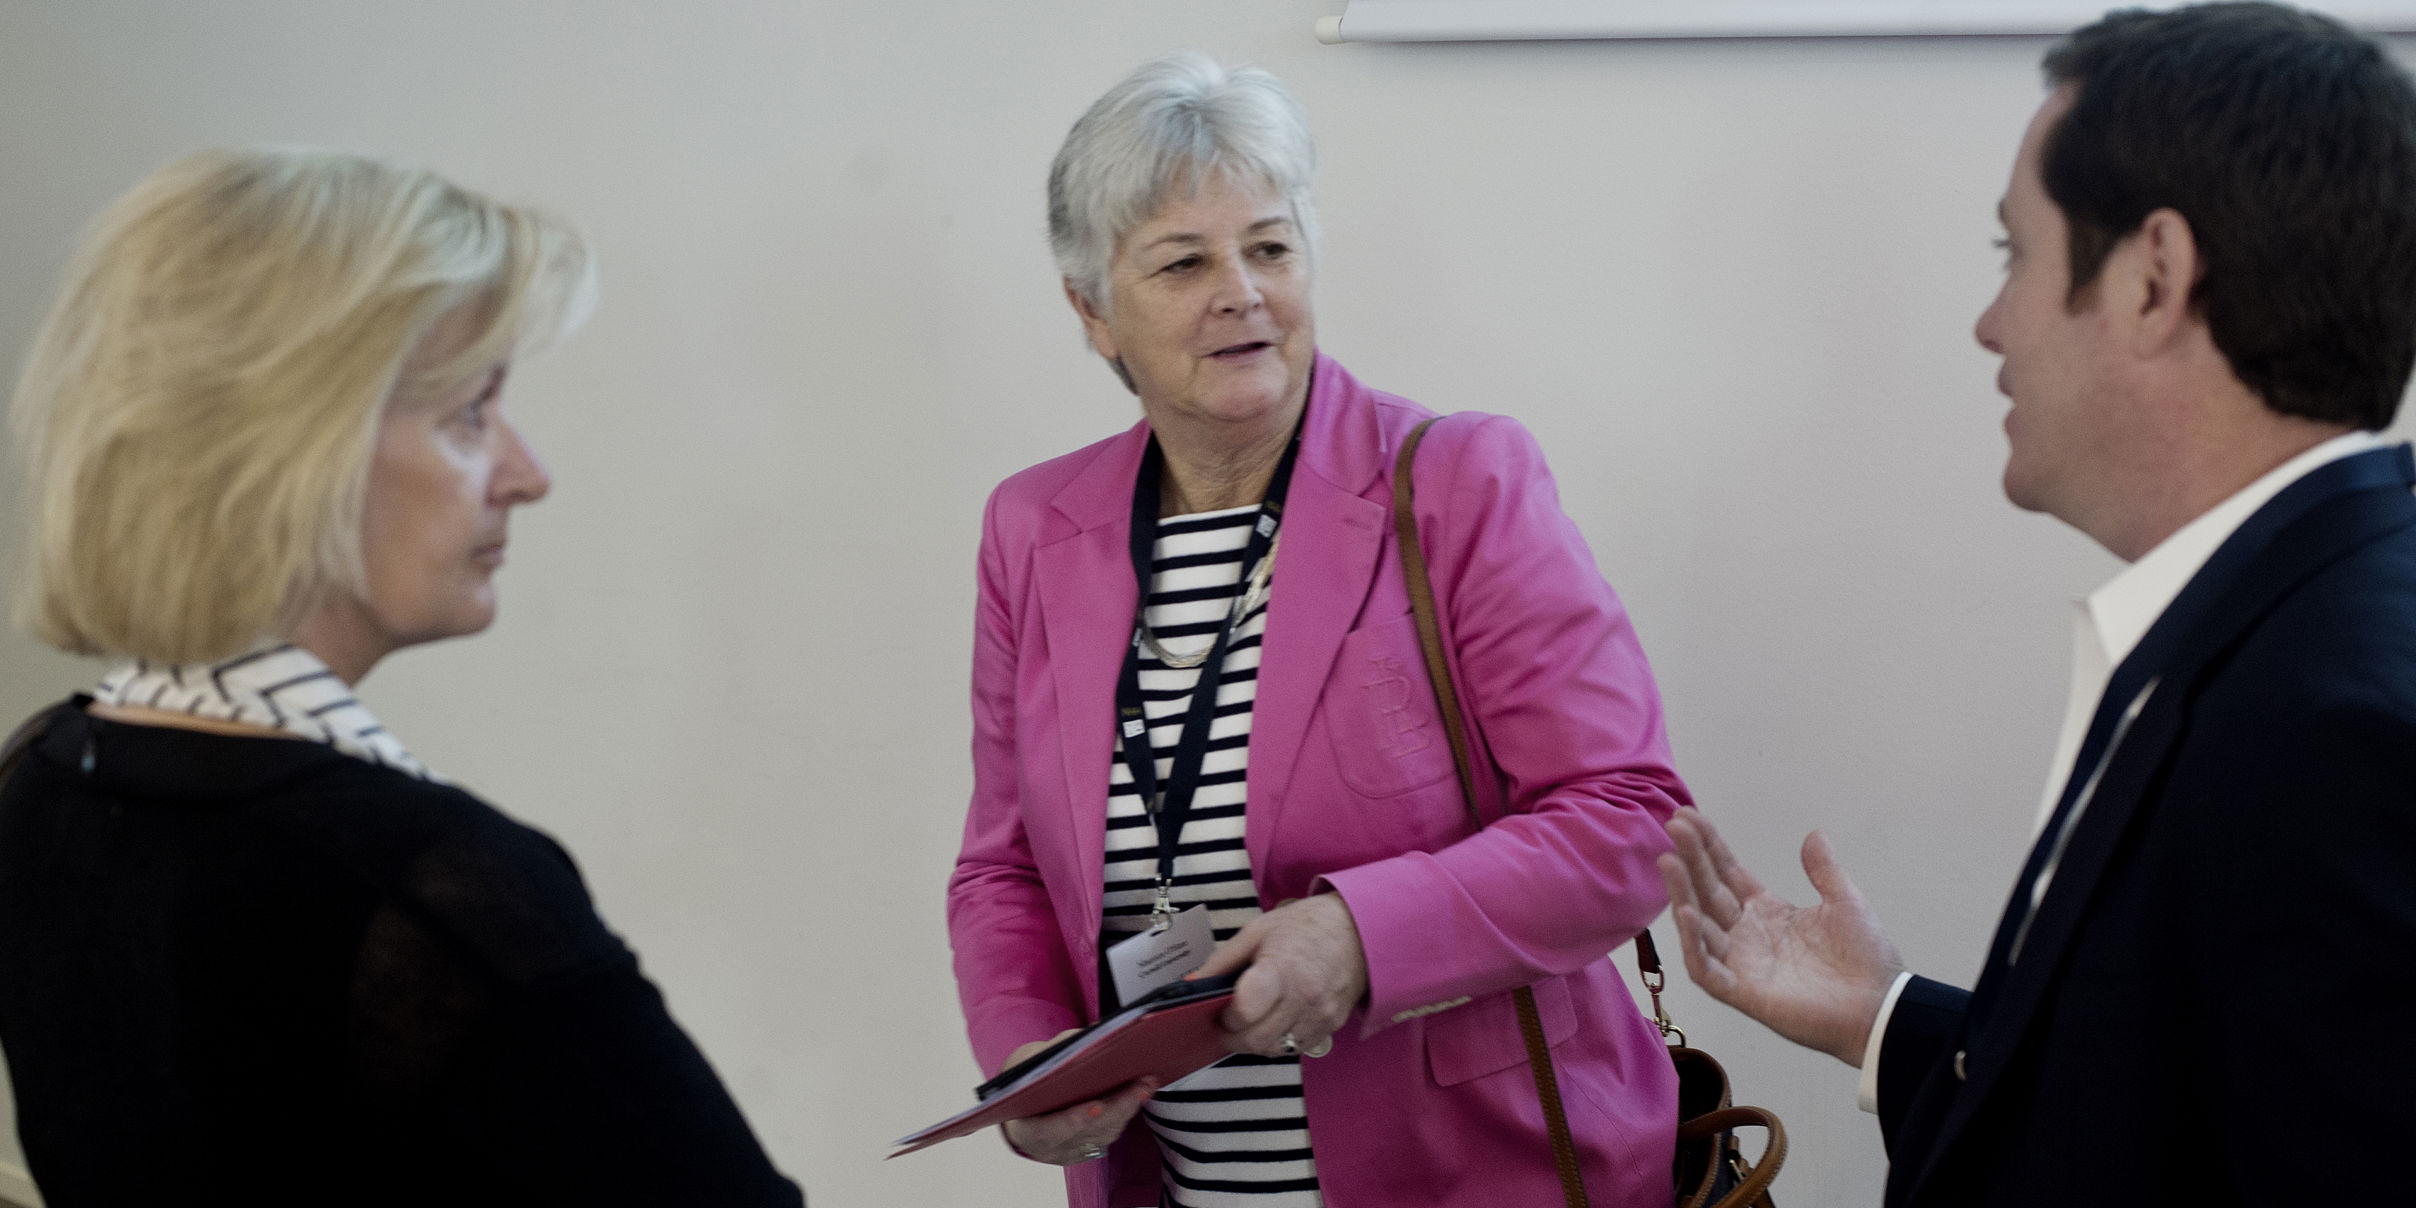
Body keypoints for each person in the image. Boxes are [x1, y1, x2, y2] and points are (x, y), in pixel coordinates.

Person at [1656, 5, 2416, 1205]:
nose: (1987, 322)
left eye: (2013, 253)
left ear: (2154, 278)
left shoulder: (2333, 728)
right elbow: (2166, 1114)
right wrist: (1881, 1014)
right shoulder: (2282, 621)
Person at [947, 52, 1691, 1208]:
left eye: (1270, 246)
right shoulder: (1033, 529)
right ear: (1091, 310)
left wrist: (1358, 933)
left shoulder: (1457, 480)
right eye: (1183, 262)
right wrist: (1030, 1050)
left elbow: (1629, 823)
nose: (1241, 291)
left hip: (1480, 1177)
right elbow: (1002, 867)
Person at [0, 149, 804, 1207]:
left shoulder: (38, 780)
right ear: (296, 452)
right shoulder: (429, 888)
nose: (527, 473)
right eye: (470, 413)